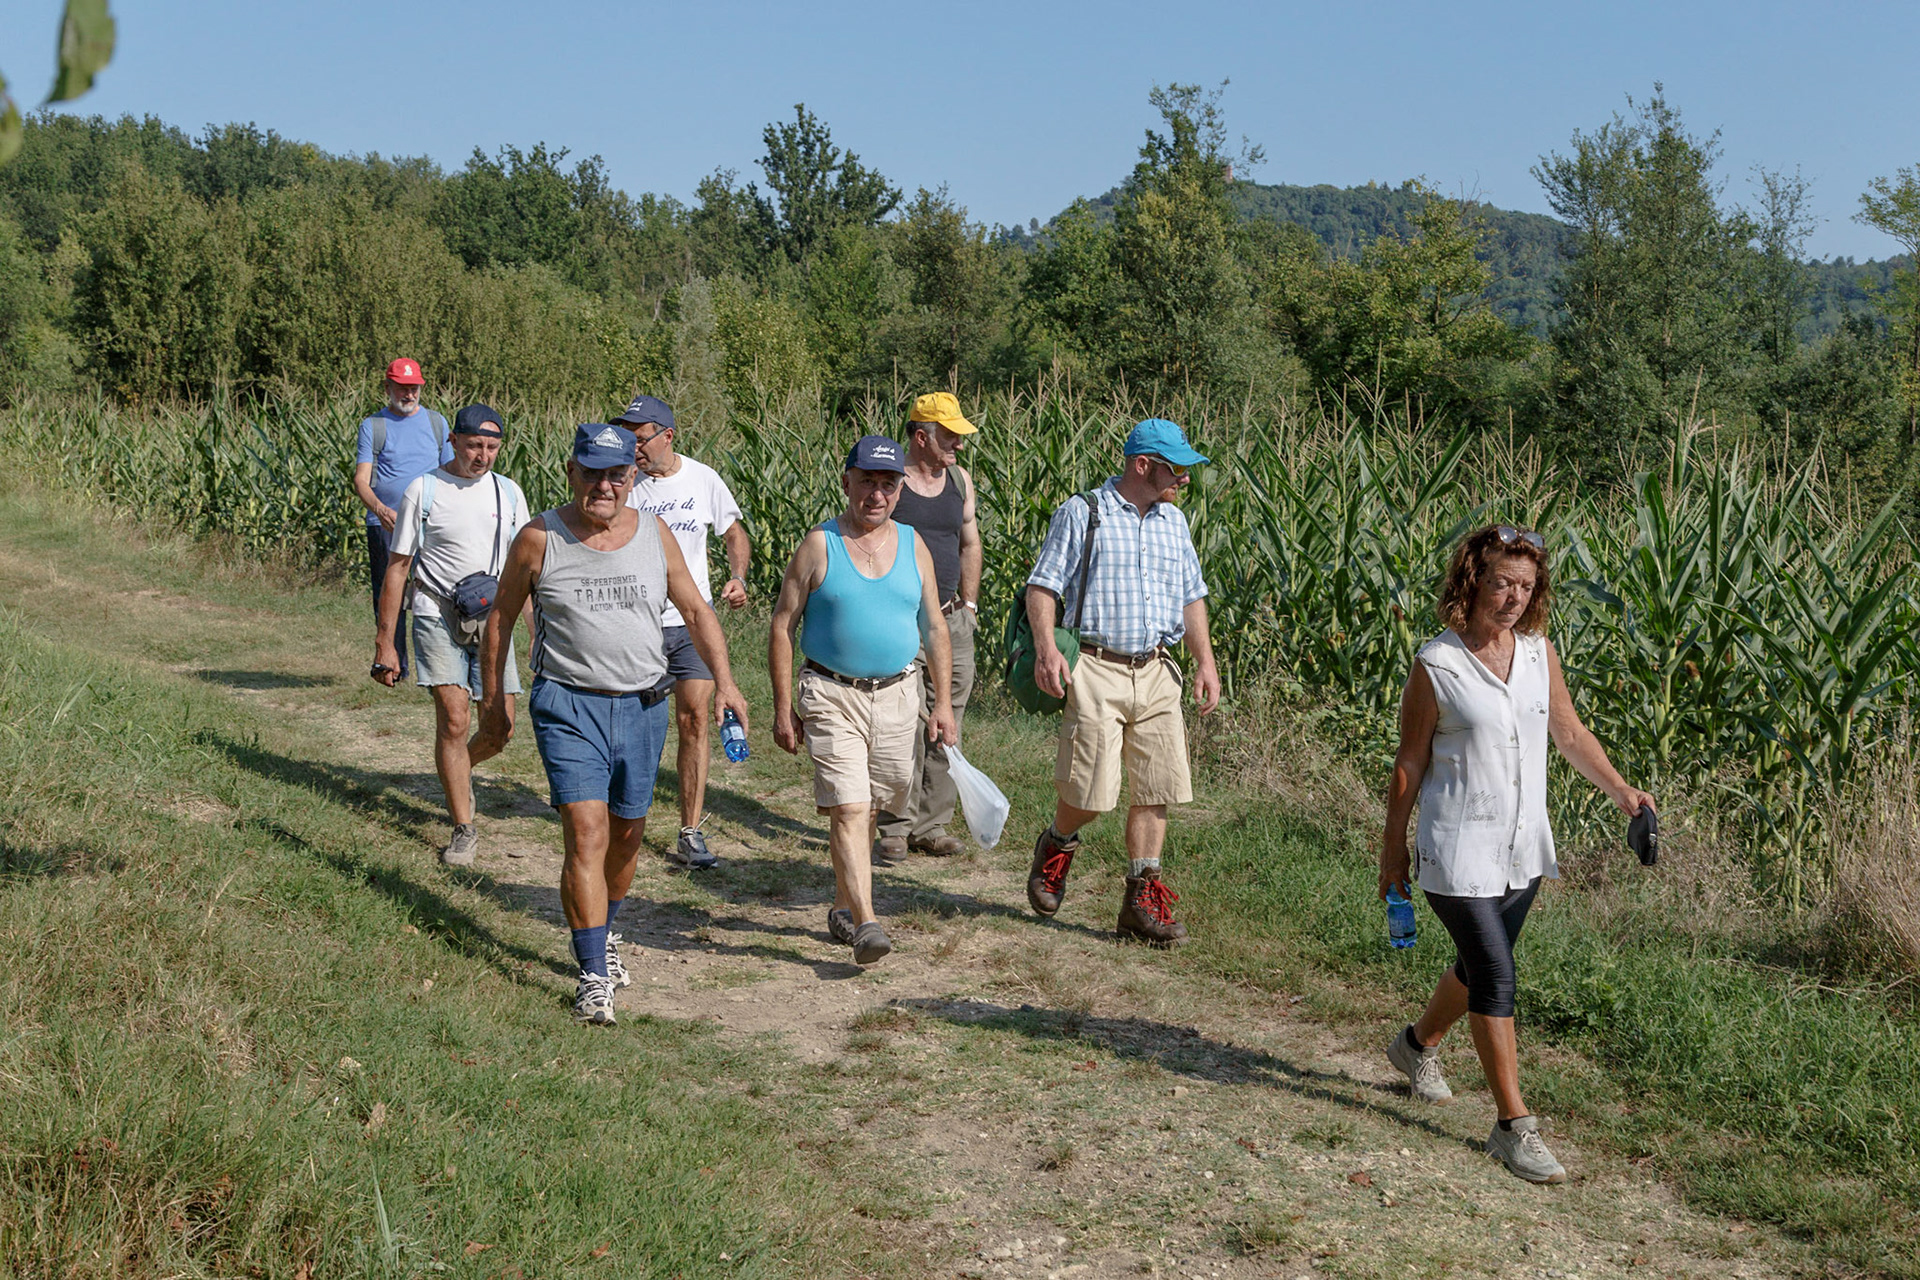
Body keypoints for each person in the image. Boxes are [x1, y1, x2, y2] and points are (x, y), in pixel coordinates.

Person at [1377, 524, 1654, 1184]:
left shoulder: (1536, 651)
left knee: (1478, 969)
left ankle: (1416, 1047)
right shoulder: (1436, 664)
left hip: (1523, 845)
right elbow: (1409, 763)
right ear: (1473, 581)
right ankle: (1513, 1127)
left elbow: (1568, 730)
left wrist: (1620, 790)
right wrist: (1392, 853)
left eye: (1527, 588)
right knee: (1497, 977)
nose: (1515, 599)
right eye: (1503, 583)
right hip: (1456, 847)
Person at [472, 424, 750, 1027]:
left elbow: (697, 611)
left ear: (633, 478)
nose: (604, 486)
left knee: (627, 837)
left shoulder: (655, 535)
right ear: (571, 473)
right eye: (592, 473)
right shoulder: (539, 538)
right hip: (568, 704)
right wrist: (493, 699)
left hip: (644, 705)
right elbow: (500, 620)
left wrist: (725, 683)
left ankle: (605, 929)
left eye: (616, 475)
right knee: (588, 832)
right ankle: (593, 973)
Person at [1023, 419, 1221, 946]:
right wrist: (1047, 650)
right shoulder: (1083, 512)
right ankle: (1058, 843)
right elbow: (1042, 587)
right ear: (1143, 466)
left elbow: (1191, 596)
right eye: (1177, 469)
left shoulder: (1174, 524)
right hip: (1095, 667)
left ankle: (1140, 900)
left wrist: (1205, 661)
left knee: (1157, 788)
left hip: (1157, 669)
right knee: (1092, 792)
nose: (1185, 478)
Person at [769, 435, 957, 966]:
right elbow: (783, 624)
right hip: (831, 692)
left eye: (888, 485)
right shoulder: (818, 545)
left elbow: (935, 627)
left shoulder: (912, 544)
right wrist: (784, 707)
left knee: (874, 804)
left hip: (899, 695)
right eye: (867, 482)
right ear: (846, 480)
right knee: (850, 806)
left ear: (900, 490)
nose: (876, 495)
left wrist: (941, 703)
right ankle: (867, 922)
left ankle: (842, 902)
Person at [371, 404, 530, 865]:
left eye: (492, 447)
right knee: (455, 719)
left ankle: (455, 767)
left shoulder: (509, 493)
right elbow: (398, 569)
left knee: (499, 730)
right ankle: (464, 828)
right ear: (455, 442)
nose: (482, 456)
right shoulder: (425, 489)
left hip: (494, 617)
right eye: (475, 445)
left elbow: (528, 569)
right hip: (435, 611)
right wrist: (387, 642)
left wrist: (542, 636)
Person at [613, 393, 752, 870]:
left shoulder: (703, 479)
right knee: (635, 724)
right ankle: (626, 815)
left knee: (694, 720)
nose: (633, 448)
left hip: (693, 622)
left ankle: (690, 830)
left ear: (667, 436)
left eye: (640, 439)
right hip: (640, 624)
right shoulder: (624, 484)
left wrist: (738, 576)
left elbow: (735, 533)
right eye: (628, 439)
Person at [874, 392, 982, 861]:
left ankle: (931, 825)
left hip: (952, 619)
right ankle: (895, 826)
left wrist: (971, 605)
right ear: (921, 436)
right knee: (904, 721)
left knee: (946, 718)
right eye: (949, 435)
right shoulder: (892, 484)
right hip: (904, 619)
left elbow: (970, 542)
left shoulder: (959, 479)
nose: (957, 444)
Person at [353, 357, 452, 683]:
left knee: (435, 592)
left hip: (430, 524)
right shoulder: (373, 426)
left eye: (414, 388)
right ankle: (392, 664)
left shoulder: (438, 423)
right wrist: (380, 510)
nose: (409, 394)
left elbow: (452, 475)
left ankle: (440, 664)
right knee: (387, 594)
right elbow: (361, 480)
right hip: (386, 524)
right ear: (388, 388)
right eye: (402, 388)